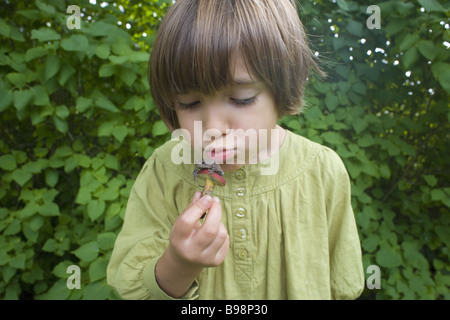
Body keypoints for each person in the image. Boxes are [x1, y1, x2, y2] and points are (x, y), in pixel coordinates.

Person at [107, 0, 364, 300]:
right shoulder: (165, 170)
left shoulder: (322, 170)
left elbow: (343, 284)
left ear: (282, 88)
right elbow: (132, 287)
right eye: (189, 103)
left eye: (241, 98)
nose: (213, 126)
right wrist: (179, 264)